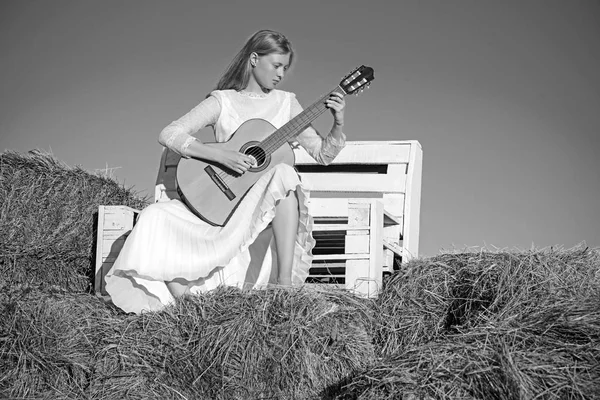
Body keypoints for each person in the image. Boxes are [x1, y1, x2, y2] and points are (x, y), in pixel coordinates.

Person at [104, 29, 347, 314]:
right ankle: (190, 306)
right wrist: (219, 154)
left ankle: (284, 286)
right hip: (220, 204)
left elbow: (323, 154)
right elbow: (169, 133)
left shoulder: (287, 104)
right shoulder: (223, 101)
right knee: (153, 216)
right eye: (276, 65)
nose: (281, 74)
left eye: (285, 67)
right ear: (254, 59)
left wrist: (338, 122)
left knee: (285, 174)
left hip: (257, 213)